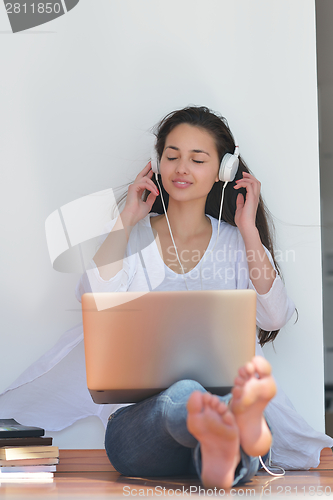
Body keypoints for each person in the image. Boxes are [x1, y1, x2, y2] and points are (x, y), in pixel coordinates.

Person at [75, 106, 295, 487]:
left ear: (223, 171)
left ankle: (220, 446)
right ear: (156, 163)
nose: (181, 168)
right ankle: (225, 423)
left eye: (197, 159)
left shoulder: (235, 243)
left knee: (215, 414)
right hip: (145, 428)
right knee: (186, 398)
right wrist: (126, 221)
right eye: (172, 156)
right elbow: (95, 300)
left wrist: (249, 232)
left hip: (214, 425)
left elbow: (273, 317)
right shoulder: (135, 238)